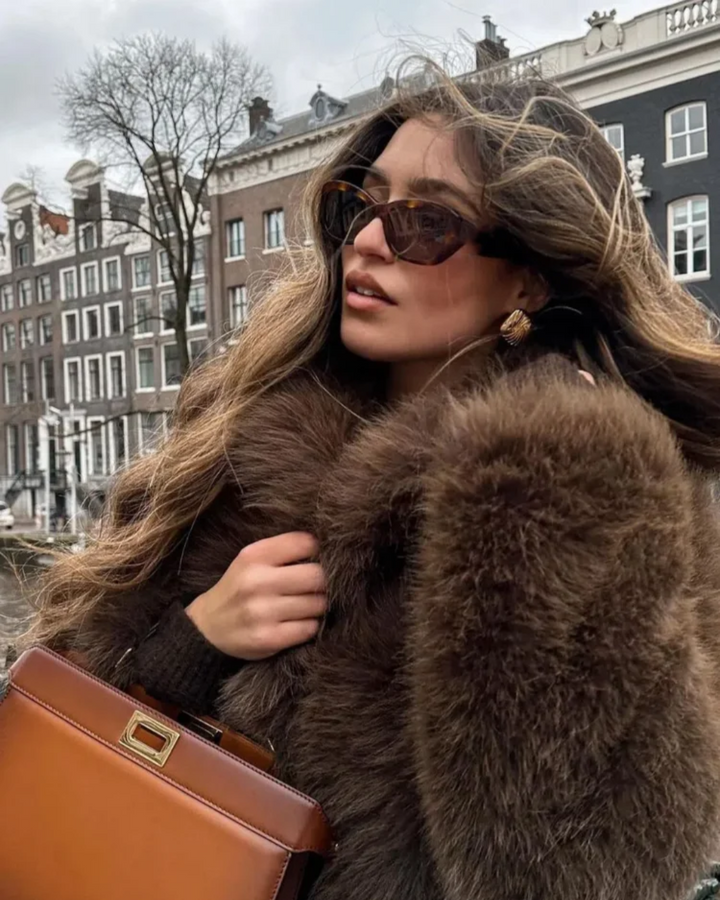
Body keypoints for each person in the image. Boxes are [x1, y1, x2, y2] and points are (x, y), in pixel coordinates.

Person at [24, 64, 720, 900]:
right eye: (366, 202)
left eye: (426, 221)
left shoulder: (594, 492)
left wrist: (546, 514)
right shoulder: (239, 436)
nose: (369, 239)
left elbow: (597, 867)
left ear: (529, 276)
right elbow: (61, 713)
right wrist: (191, 643)